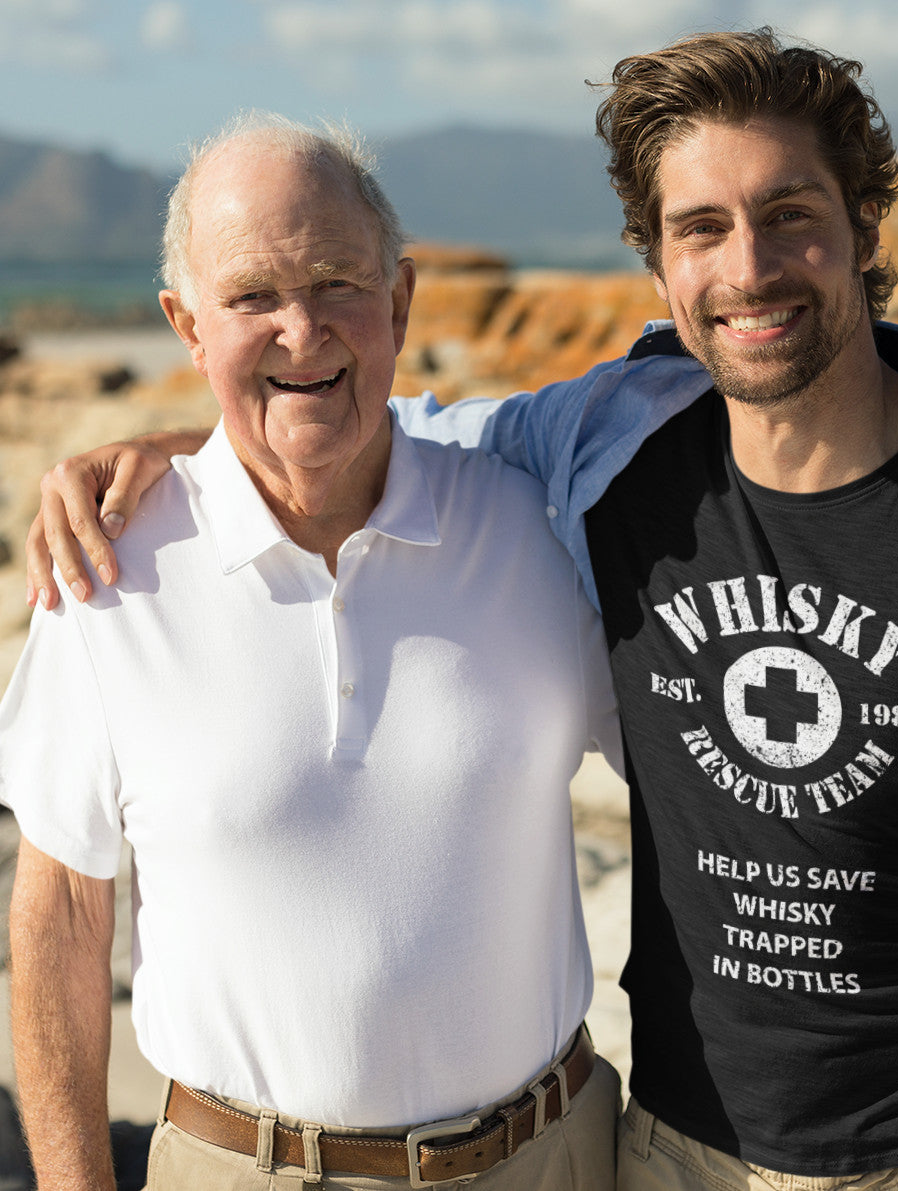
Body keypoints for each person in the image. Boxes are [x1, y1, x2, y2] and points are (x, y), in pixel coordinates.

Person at [25, 29, 898, 1191]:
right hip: (669, 1159)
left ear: (866, 229)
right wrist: (187, 454)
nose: (750, 267)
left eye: (790, 213)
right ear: (659, 262)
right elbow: (357, 425)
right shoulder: (607, 461)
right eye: (701, 229)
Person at [0, 114, 624, 1191]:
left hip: (553, 1156)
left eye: (338, 280)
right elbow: (59, 916)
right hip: (244, 1172)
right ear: (187, 328)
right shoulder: (103, 574)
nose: (301, 331)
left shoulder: (537, 530)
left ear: (399, 301)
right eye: (250, 298)